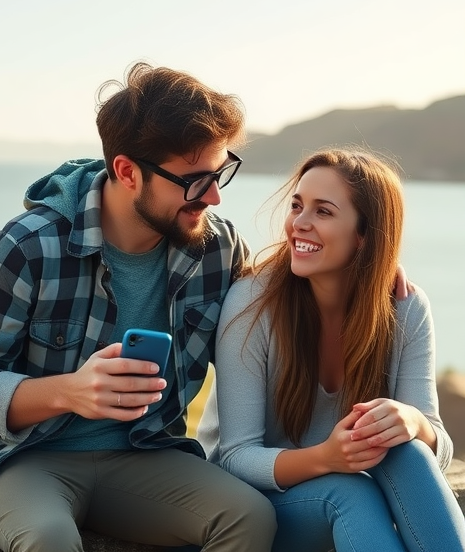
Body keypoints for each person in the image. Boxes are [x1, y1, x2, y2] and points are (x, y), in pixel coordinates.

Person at [0, 61, 278, 551]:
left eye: (220, 173)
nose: (215, 196)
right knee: (50, 539)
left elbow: (277, 309)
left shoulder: (216, 249)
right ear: (126, 171)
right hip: (24, 460)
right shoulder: (29, 246)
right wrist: (67, 392)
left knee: (250, 517)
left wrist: (357, 265)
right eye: (196, 180)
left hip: (146, 456)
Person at [196, 148, 465, 552]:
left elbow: (436, 452)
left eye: (323, 212)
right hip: (258, 503)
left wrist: (412, 421)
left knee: (404, 451)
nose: (298, 224)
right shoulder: (253, 302)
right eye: (297, 206)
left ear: (364, 235)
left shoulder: (405, 308)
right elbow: (235, 457)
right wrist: (327, 457)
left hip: (355, 494)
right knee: (350, 493)